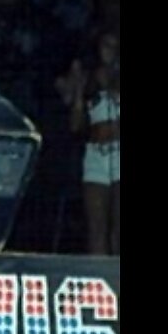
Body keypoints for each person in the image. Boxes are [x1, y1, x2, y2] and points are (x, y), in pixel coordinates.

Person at [56, 28, 120, 255]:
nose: (109, 52)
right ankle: (99, 278)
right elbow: (75, 126)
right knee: (96, 228)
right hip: (96, 156)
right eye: (105, 46)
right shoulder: (90, 81)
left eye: (114, 46)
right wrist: (79, 97)